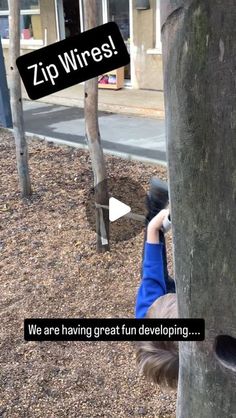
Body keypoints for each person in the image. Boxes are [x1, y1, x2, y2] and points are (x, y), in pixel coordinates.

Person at [135, 179, 179, 390]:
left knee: (154, 270)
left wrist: (158, 221)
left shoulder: (148, 307)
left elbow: (151, 270)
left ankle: (153, 209)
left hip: (159, 298)